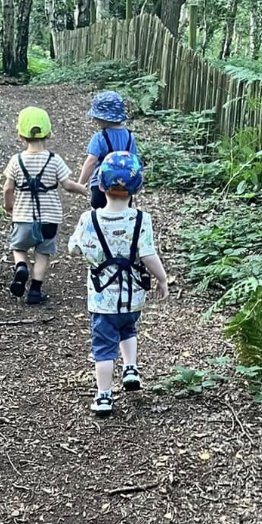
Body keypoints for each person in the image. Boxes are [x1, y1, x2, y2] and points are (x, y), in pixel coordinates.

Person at [69, 150, 169, 416]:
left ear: (100, 185)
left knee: (103, 348)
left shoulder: (88, 219)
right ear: (137, 188)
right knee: (129, 329)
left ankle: (103, 396)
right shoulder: (141, 220)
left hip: (102, 300)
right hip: (132, 297)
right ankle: (131, 369)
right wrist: (162, 279)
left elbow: (74, 250)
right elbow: (148, 255)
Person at [3, 106, 86, 304]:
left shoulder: (16, 160)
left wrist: (9, 206)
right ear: (48, 133)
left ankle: (21, 266)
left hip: (22, 216)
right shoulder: (54, 160)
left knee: (18, 247)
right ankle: (35, 291)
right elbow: (67, 185)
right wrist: (81, 188)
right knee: (43, 253)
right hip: (49, 218)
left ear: (20, 135)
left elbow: (7, 188)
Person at [77, 90, 140, 210]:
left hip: (101, 186)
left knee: (99, 218)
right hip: (125, 187)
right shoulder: (130, 137)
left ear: (102, 118)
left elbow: (91, 162)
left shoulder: (99, 138)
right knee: (122, 216)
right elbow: (133, 161)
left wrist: (80, 184)